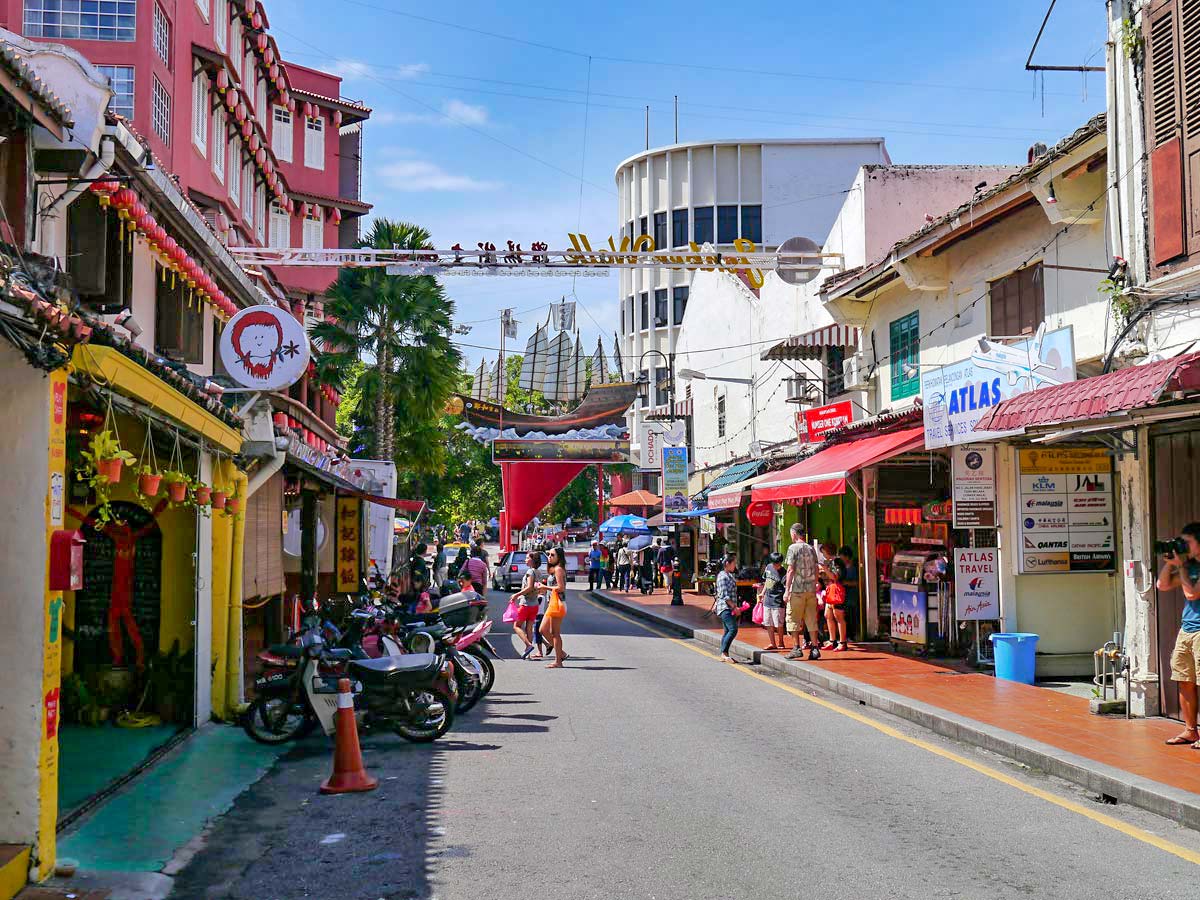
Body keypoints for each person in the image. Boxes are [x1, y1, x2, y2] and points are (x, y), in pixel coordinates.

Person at [1158, 524, 1200, 747]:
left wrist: (1181, 566)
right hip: (1188, 629)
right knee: (1185, 681)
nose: (1183, 547)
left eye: (1187, 542)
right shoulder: (1189, 567)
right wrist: (1169, 564)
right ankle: (1190, 730)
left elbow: (1192, 593)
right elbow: (1162, 585)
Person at [784, 523, 821, 661]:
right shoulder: (811, 548)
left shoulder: (793, 548)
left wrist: (787, 590)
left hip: (797, 590)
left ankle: (796, 648)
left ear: (794, 533)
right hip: (810, 589)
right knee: (811, 619)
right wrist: (816, 582)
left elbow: (790, 569)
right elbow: (817, 567)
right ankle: (815, 648)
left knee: (793, 618)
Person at [513, 550, 545, 659]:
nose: (525, 560)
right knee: (529, 628)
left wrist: (516, 595)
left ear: (532, 560)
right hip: (535, 604)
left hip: (526, 604)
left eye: (527, 558)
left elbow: (530, 587)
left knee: (517, 626)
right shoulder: (538, 572)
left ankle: (528, 645)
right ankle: (529, 654)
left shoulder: (530, 572)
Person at [541, 547, 569, 668]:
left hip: (558, 603)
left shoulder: (558, 569)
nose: (549, 557)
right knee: (543, 630)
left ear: (559, 557)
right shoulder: (554, 569)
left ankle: (558, 661)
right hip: (552, 603)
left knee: (554, 633)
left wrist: (545, 587)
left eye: (552, 555)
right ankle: (561, 653)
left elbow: (561, 587)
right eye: (549, 554)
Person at [714, 553, 740, 663]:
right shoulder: (722, 576)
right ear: (727, 564)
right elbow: (724, 595)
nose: (735, 565)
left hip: (728, 607)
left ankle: (724, 653)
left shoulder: (729, 575)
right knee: (733, 629)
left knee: (727, 630)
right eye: (733, 563)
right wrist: (734, 607)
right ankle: (724, 653)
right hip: (725, 608)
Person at [759, 552, 787, 650]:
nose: (776, 566)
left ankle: (781, 642)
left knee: (779, 623)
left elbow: (786, 587)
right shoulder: (769, 567)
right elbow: (768, 581)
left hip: (778, 599)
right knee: (768, 622)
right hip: (768, 599)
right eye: (774, 564)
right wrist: (763, 593)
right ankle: (772, 643)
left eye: (778, 564)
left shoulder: (784, 573)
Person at [821, 558, 849, 652]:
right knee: (828, 615)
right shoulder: (833, 568)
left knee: (839, 617)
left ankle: (842, 642)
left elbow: (834, 577)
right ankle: (832, 640)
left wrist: (825, 569)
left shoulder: (838, 569)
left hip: (837, 592)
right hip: (831, 592)